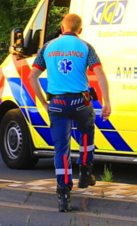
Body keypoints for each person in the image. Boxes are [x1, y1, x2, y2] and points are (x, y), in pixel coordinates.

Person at [26, 13, 112, 212]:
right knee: (86, 130)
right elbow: (99, 74)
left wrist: (44, 104)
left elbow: (32, 77)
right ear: (79, 30)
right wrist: (106, 102)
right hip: (81, 101)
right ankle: (85, 170)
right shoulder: (85, 47)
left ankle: (63, 193)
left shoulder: (47, 47)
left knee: (61, 149)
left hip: (56, 103)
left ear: (62, 28)